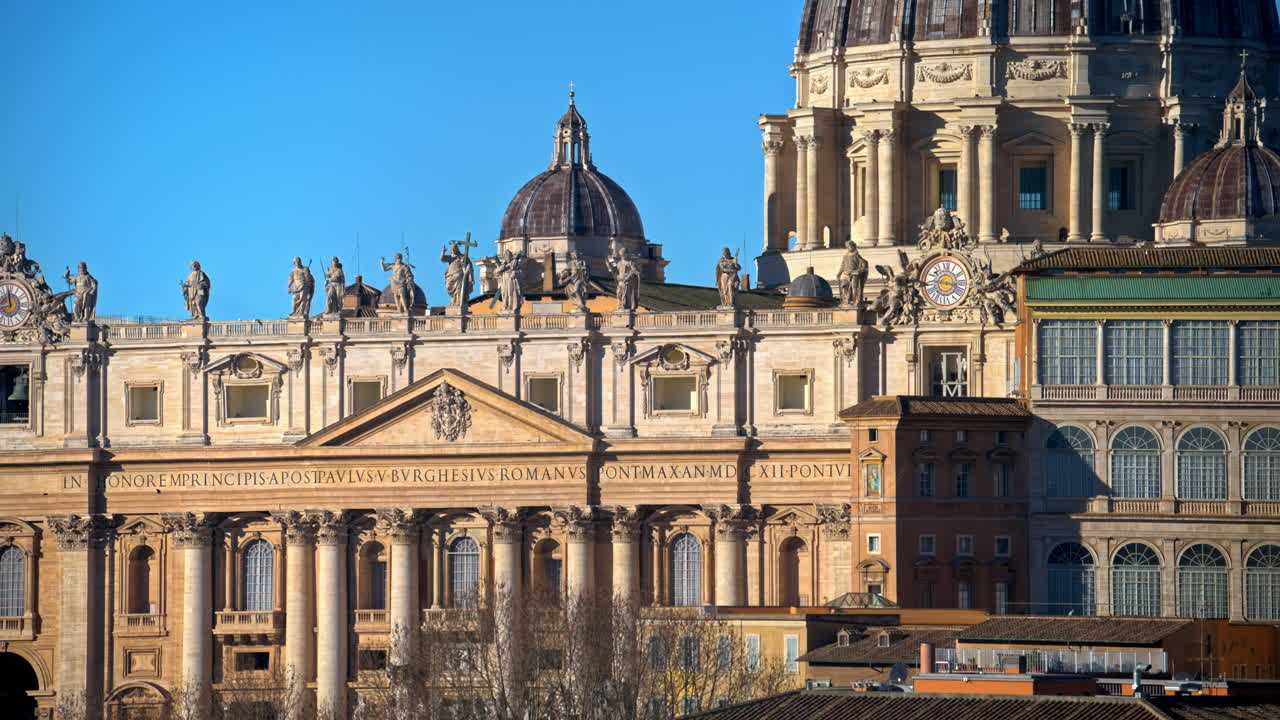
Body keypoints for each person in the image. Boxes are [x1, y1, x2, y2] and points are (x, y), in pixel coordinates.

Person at [440, 240, 475, 308]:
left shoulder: (463, 257)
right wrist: (443, 252)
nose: (452, 250)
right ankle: (454, 300)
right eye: (451, 249)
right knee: (448, 286)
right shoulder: (451, 257)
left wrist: (470, 277)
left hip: (459, 275)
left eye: (454, 248)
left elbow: (469, 267)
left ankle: (458, 302)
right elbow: (442, 259)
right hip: (450, 275)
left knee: (458, 290)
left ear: (457, 249)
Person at [836, 241, 868, 307]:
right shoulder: (845, 256)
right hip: (846, 274)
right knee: (844, 287)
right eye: (848, 247)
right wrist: (839, 273)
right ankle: (846, 300)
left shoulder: (857, 255)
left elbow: (864, 263)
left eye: (850, 246)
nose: (849, 248)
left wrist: (860, 270)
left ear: (853, 247)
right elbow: (842, 265)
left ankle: (855, 300)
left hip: (854, 274)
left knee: (854, 288)